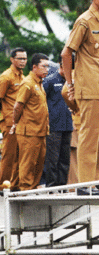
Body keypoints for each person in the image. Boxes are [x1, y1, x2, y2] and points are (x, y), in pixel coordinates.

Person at [61, 0, 99, 195]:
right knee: (89, 136)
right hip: (90, 87)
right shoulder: (84, 20)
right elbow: (67, 52)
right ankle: (85, 184)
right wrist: (69, 83)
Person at [11, 53, 49, 191]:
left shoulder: (39, 83)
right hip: (29, 131)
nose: (47, 69)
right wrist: (15, 123)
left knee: (38, 164)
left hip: (40, 130)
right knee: (27, 164)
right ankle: (25, 191)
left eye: (48, 67)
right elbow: (17, 107)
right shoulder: (27, 84)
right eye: (44, 66)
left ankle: (32, 189)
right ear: (34, 67)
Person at [41, 55, 73, 187]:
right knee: (52, 158)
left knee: (65, 158)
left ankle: (62, 185)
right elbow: (42, 102)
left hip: (67, 125)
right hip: (53, 125)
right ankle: (51, 185)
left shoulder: (71, 82)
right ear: (61, 66)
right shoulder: (49, 81)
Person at [0, 48, 27, 194]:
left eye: (25, 59)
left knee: (19, 154)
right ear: (12, 59)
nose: (23, 61)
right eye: (20, 59)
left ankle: (15, 184)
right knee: (9, 154)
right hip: (9, 121)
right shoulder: (6, 77)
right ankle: (2, 184)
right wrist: (4, 117)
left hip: (21, 121)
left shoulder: (23, 77)